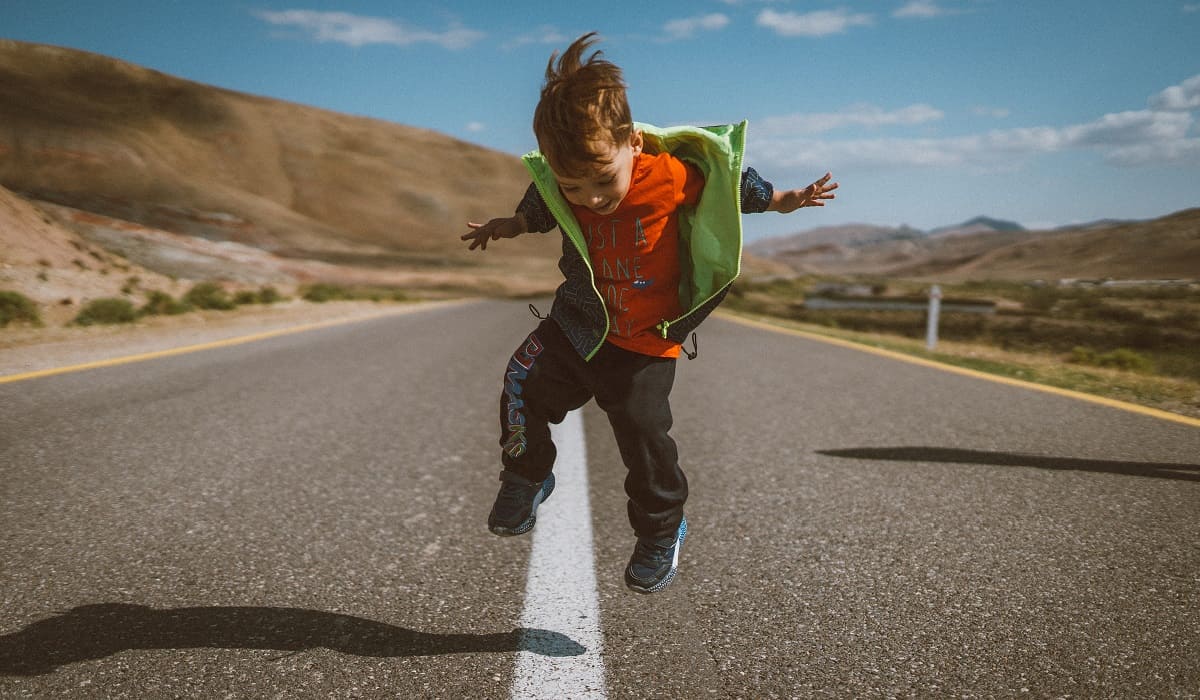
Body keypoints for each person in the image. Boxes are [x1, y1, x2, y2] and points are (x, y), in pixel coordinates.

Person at [462, 32, 837, 594]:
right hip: (577, 324)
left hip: (643, 343)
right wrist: (509, 225)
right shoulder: (564, 185)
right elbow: (540, 205)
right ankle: (526, 475)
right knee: (520, 383)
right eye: (573, 186)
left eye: (601, 180)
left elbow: (729, 184)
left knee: (643, 440)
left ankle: (662, 530)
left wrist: (784, 199)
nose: (589, 198)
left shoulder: (669, 174)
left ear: (633, 142)